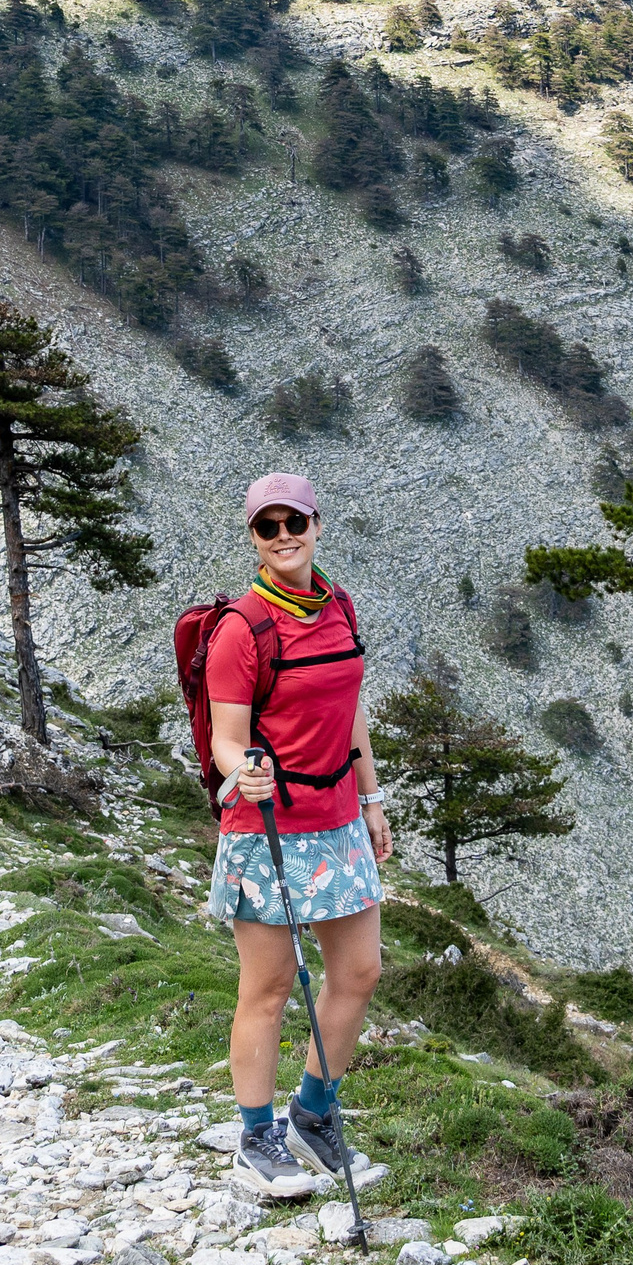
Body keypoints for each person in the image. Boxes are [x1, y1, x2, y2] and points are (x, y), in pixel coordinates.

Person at [204, 472, 390, 1197]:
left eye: (296, 521)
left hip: (340, 818)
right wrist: (242, 772)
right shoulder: (240, 629)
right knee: (272, 984)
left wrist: (372, 796)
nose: (285, 536)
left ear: (317, 524)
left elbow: (350, 707)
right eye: (268, 525)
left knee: (359, 972)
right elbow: (228, 738)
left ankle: (311, 1119)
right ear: (253, 537)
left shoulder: (339, 606)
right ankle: (256, 1137)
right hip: (268, 825)